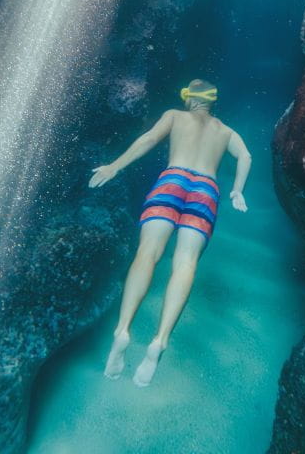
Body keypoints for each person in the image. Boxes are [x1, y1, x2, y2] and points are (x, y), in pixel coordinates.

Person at [89, 79, 252, 386]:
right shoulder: (226, 132)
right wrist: (237, 190)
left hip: (172, 180)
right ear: (212, 102)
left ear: (189, 99)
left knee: (147, 254)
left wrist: (115, 165)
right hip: (206, 188)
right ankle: (160, 341)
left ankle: (123, 330)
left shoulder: (175, 116)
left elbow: (149, 139)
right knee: (186, 263)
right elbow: (246, 156)